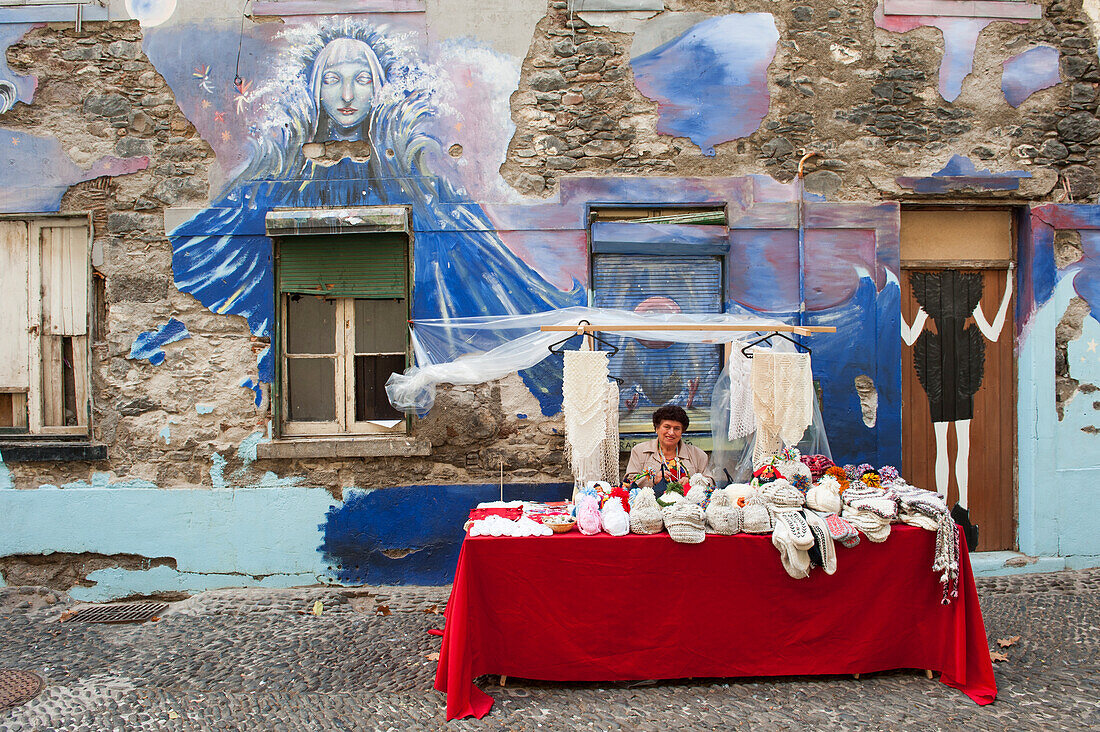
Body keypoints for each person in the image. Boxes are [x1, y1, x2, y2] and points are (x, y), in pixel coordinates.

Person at [623, 405, 713, 492]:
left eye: (677, 428)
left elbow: (710, 483)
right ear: (657, 428)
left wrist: (692, 483)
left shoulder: (698, 455)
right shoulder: (639, 451)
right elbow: (629, 482)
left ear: (682, 431)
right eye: (667, 427)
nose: (671, 433)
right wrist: (653, 480)